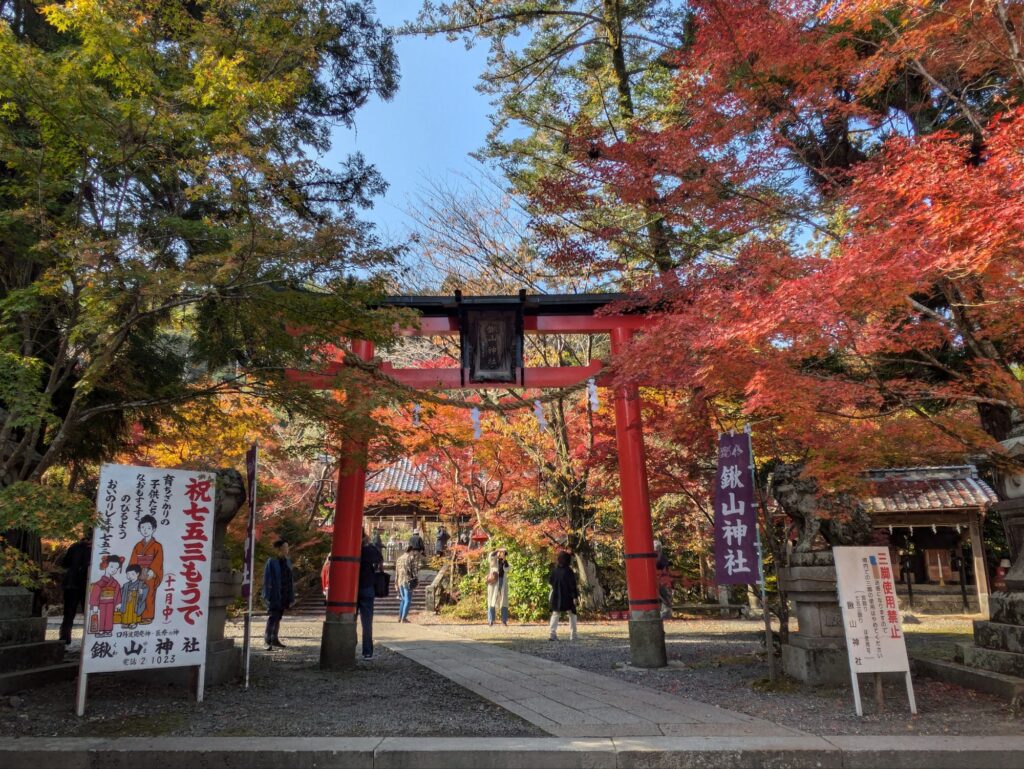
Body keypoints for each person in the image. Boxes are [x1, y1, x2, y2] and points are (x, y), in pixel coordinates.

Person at [128, 515, 163, 625]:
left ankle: (147, 616)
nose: (145, 530)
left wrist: (152, 571)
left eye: (148, 528)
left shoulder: (157, 546)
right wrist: (133, 572)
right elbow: (133, 560)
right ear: (139, 529)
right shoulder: (138, 546)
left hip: (149, 574)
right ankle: (136, 615)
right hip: (138, 573)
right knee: (136, 594)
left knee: (149, 594)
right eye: (143, 527)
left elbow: (158, 561)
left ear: (154, 529)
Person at [59, 529, 92, 644]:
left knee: (68, 613)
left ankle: (64, 638)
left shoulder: (74, 547)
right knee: (88, 613)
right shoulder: (96, 549)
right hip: (86, 585)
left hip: (71, 583)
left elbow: (65, 563)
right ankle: (88, 640)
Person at [262, 538, 295, 649]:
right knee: (273, 616)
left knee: (279, 616)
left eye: (287, 547)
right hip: (274, 593)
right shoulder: (272, 561)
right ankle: (267, 640)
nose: (287, 549)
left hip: (284, 593)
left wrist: (291, 596)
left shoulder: (287, 561)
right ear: (280, 548)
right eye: (286, 547)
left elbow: (290, 580)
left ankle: (274, 639)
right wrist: (267, 596)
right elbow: (267, 580)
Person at [358, 531, 384, 658]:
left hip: (350, 588)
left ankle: (348, 646)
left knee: (349, 619)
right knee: (367, 623)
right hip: (367, 586)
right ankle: (367, 651)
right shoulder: (371, 550)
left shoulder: (352, 549)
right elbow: (380, 563)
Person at [88, 555, 123, 637]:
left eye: (116, 568)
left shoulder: (115, 582)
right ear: (105, 565)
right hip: (101, 603)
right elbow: (95, 593)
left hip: (111, 603)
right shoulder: (100, 583)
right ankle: (100, 630)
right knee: (102, 616)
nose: (114, 570)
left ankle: (107, 630)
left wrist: (118, 603)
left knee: (109, 616)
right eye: (111, 566)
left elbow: (117, 591)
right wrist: (95, 605)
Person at [548, 551, 579, 641]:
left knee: (555, 613)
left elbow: (550, 581)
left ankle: (552, 634)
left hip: (556, 595)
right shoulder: (569, 571)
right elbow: (572, 585)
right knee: (572, 614)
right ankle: (573, 635)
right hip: (567, 596)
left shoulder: (554, 570)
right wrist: (575, 597)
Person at [117, 564, 149, 628]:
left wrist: (142, 592)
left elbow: (145, 589)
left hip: (135, 601)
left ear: (137, 574)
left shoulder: (141, 584)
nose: (129, 576)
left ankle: (134, 623)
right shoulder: (126, 585)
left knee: (134, 612)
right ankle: (125, 622)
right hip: (127, 601)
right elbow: (121, 592)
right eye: (128, 574)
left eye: (132, 574)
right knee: (126, 611)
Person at [485, 547, 510, 626]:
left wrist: (505, 561)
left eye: (504, 554)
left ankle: (504, 620)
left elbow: (507, 569)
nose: (502, 555)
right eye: (501, 553)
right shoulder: (493, 560)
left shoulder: (505, 562)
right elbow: (491, 556)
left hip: (503, 582)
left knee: (504, 601)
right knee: (491, 600)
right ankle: (490, 620)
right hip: (494, 583)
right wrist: (498, 550)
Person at [395, 546, 420, 623]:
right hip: (408, 580)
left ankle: (400, 617)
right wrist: (417, 580)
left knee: (403, 599)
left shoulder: (399, 559)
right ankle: (404, 618)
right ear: (411, 550)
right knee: (408, 600)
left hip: (400, 581)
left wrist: (395, 583)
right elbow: (414, 570)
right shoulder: (410, 558)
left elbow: (397, 572)